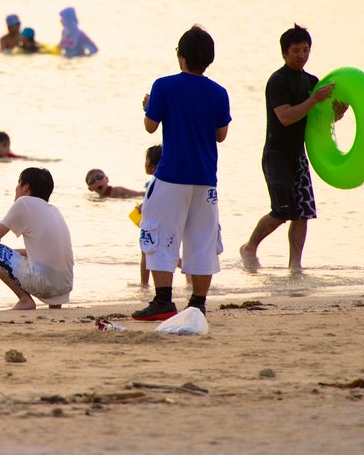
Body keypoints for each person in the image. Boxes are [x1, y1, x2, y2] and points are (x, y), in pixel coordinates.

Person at [133, 25, 230, 321]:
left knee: (160, 234)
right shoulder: (218, 92)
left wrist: (150, 106)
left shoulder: (164, 86)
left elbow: (150, 126)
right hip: (205, 177)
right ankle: (198, 304)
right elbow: (221, 134)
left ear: (181, 56)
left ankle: (163, 300)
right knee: (202, 240)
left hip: (171, 175)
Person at [239, 25, 348, 272]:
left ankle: (295, 266)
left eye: (306, 49)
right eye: (296, 50)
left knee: (303, 213)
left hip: (298, 156)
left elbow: (317, 121)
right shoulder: (277, 81)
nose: (301, 54)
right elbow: (286, 117)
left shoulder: (312, 82)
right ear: (285, 53)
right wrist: (313, 99)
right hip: (276, 154)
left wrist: (337, 114)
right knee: (282, 211)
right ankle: (249, 248)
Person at [0, 168, 73, 310]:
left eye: (18, 183)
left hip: (43, 284)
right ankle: (55, 306)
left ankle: (25, 300)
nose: (16, 188)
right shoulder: (54, 210)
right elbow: (44, 251)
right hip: (65, 285)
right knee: (34, 260)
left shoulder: (24, 203)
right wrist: (12, 253)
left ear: (26, 187)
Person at [137, 144, 163, 288]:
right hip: (159, 222)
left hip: (151, 224)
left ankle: (144, 284)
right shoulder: (164, 182)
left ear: (152, 166)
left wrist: (142, 207)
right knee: (155, 252)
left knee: (146, 252)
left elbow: (153, 200)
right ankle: (189, 279)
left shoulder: (154, 182)